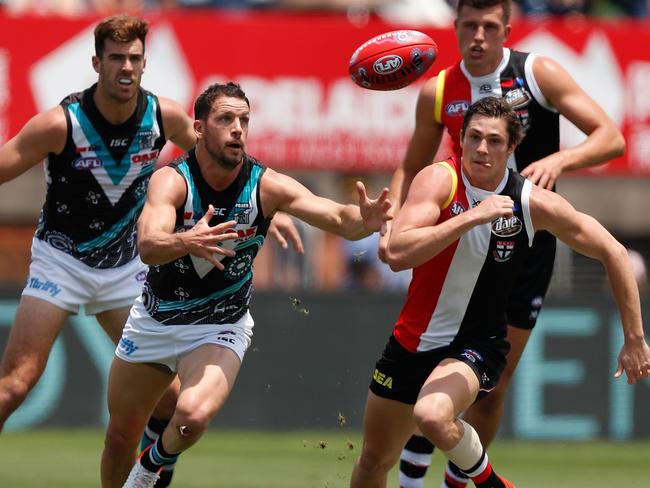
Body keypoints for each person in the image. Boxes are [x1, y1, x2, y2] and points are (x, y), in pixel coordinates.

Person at [0, 14, 303, 488]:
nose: (126, 67)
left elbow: (221, 166)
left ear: (145, 64)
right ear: (96, 62)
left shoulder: (166, 116)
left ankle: (149, 479)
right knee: (15, 384)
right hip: (59, 261)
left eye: (135, 58)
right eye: (116, 58)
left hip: (127, 266)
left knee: (170, 403)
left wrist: (270, 208)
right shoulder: (61, 122)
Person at [380, 1, 627, 486]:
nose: (478, 36)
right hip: (456, 243)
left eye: (489, 27)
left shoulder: (537, 73)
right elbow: (411, 165)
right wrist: (392, 217)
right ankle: (412, 464)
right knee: (430, 365)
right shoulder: (437, 91)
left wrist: (562, 161)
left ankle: (456, 478)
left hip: (523, 246)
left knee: (492, 386)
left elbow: (611, 137)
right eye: (469, 25)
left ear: (506, 30)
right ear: (454, 27)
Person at [99, 81, 392, 488]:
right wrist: (189, 240)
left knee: (192, 417)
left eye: (244, 120)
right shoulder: (171, 181)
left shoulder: (265, 184)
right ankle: (146, 453)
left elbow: (338, 218)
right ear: (199, 128)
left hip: (220, 326)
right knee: (119, 436)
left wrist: (366, 220)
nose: (238, 128)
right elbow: (148, 247)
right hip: (155, 320)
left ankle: (151, 466)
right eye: (225, 119)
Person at [351, 96, 650, 488]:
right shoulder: (439, 180)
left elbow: (612, 250)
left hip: (475, 345)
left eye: (494, 141)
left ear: (511, 148)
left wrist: (634, 338)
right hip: (411, 341)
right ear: (460, 139)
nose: (481, 148)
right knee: (374, 461)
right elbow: (396, 254)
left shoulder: (530, 202)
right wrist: (471, 217)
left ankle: (490, 483)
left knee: (432, 415)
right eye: (473, 137)